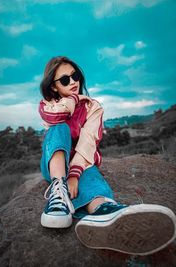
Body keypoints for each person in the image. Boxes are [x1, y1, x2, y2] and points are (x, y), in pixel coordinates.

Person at [38, 56, 176, 255]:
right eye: (65, 80)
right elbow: (55, 118)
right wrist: (74, 100)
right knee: (59, 129)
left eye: (75, 76)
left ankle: (104, 213)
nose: (74, 82)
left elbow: (88, 143)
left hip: (81, 160)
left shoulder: (93, 107)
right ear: (53, 87)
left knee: (91, 174)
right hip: (54, 161)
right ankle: (58, 196)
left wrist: (75, 175)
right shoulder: (48, 104)